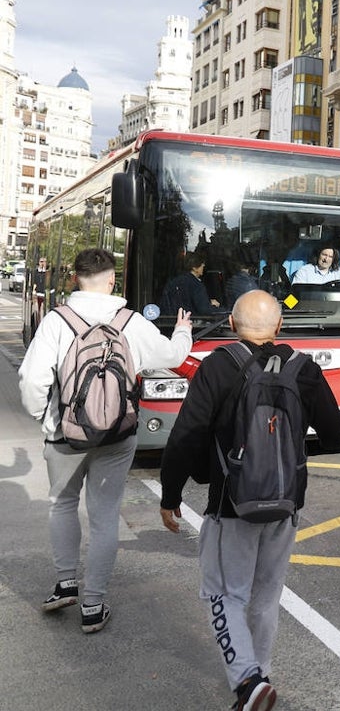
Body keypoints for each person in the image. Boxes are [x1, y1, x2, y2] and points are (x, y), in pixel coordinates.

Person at [158, 290, 340, 711]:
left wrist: (170, 494)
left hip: (231, 506)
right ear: (279, 326)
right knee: (265, 596)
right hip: (285, 505)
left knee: (223, 593)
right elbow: (336, 434)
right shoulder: (304, 369)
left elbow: (186, 436)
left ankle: (248, 683)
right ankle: (258, 676)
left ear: (231, 323)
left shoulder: (219, 366)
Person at [18, 248, 193, 633]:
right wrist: (183, 329)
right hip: (117, 433)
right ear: (112, 279)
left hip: (65, 434)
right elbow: (174, 355)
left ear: (75, 278)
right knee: (104, 516)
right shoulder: (130, 322)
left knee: (62, 504)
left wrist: (46, 421)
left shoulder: (55, 321)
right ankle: (93, 605)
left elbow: (33, 383)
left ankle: (66, 583)